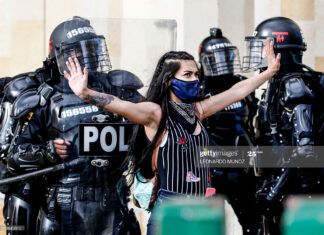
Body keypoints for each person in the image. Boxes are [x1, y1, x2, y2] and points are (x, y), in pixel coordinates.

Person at [64, 37, 280, 234]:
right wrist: (85, 93)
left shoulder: (198, 110)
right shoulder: (155, 114)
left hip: (203, 209)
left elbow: (237, 91)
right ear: (169, 80)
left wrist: (269, 72)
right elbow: (119, 104)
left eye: (196, 74)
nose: (194, 79)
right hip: (170, 211)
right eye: (187, 75)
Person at [7, 16, 141, 235]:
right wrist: (47, 151)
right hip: (63, 208)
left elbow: (153, 123)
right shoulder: (44, 100)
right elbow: (15, 158)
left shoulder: (119, 90)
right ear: (60, 57)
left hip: (112, 203)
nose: (87, 55)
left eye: (91, 48)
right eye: (77, 52)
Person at [243, 16, 324, 235]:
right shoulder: (278, 84)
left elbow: (305, 151)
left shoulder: (295, 87)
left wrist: (274, 191)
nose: (257, 54)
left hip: (298, 193)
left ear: (278, 51)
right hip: (282, 186)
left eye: (262, 47)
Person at [199, 28, 262, 235]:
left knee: (254, 224)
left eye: (226, 56)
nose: (222, 62)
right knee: (206, 227)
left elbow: (253, 122)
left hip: (242, 168)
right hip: (210, 170)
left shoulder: (242, 85)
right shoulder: (198, 90)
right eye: (216, 57)